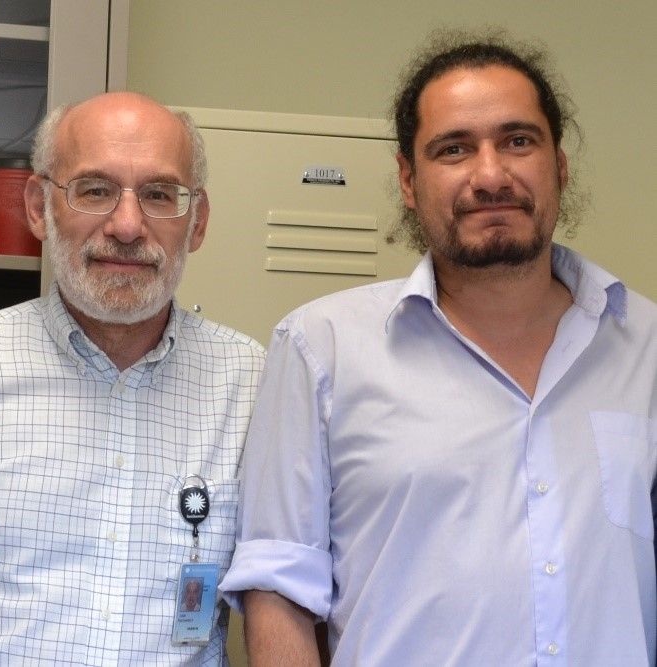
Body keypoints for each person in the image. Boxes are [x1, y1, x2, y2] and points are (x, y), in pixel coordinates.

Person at [220, 32, 657, 665]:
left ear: (558, 164)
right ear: (407, 178)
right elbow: (279, 591)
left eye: (518, 140)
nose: (491, 174)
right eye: (454, 149)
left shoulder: (645, 347)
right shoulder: (322, 348)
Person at [0, 92, 265, 665]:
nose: (127, 226)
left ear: (196, 221)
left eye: (158, 194)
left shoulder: (249, 382)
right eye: (95, 189)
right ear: (37, 208)